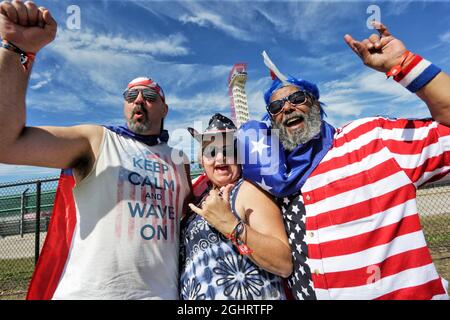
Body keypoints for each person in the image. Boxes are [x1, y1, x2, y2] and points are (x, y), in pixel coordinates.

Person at [237, 22, 450, 300]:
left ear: (315, 104)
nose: (287, 107)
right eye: (276, 107)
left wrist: (404, 64)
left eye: (297, 98)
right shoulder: (272, 177)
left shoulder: (374, 139)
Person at [0, 1, 191, 299]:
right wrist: (17, 51)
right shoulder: (97, 140)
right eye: (131, 95)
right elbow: (5, 143)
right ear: (125, 104)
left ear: (165, 107)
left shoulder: (179, 162)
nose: (139, 99)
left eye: (150, 95)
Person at [179, 113, 292, 300]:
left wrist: (230, 225)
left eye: (229, 151)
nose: (221, 158)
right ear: (202, 161)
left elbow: (284, 263)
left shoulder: (248, 190)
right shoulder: (199, 198)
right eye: (211, 152)